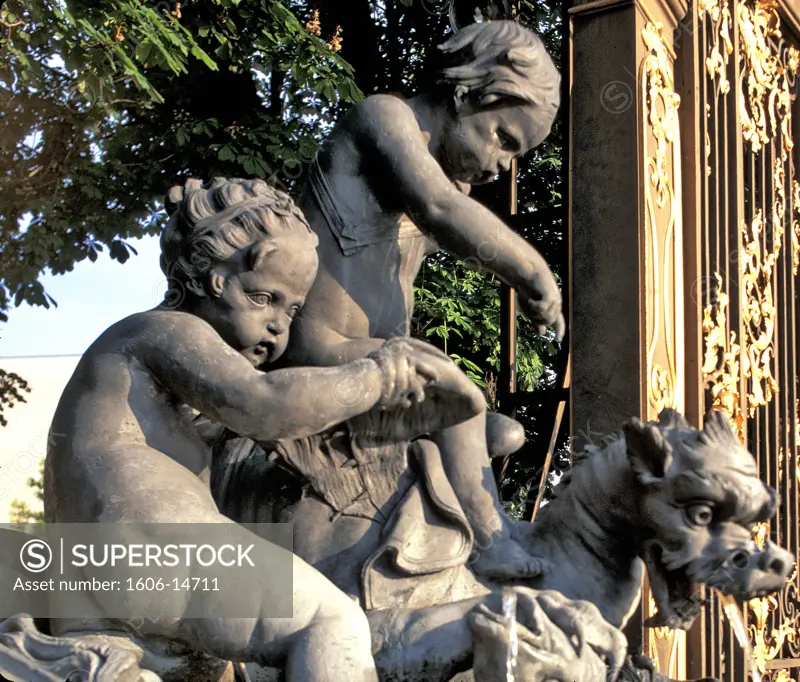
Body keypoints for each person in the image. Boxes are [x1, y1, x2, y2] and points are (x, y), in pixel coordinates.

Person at [43, 178, 470, 681]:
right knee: (329, 621)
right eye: (263, 297)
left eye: (291, 310)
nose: (278, 327)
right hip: (145, 544)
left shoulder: (134, 373)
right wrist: (379, 375)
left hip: (80, 578)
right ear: (212, 278)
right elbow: (265, 404)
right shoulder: (167, 330)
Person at [276, 20, 564, 580]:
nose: (502, 165)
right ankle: (491, 542)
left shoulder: (445, 182)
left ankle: (433, 542)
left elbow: (452, 216)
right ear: (466, 93)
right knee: (451, 395)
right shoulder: (383, 119)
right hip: (322, 347)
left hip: (378, 360)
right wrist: (533, 272)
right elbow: (438, 209)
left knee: (503, 433)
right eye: (503, 137)